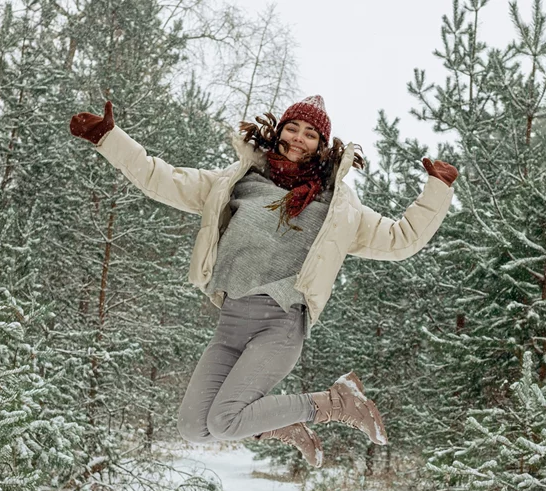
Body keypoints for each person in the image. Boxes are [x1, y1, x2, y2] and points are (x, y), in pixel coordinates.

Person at [69, 95, 458, 468]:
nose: (299, 138)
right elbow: (163, 177)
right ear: (278, 131)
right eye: (292, 128)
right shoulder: (238, 182)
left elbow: (399, 238)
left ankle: (339, 402)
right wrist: (109, 138)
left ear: (323, 144)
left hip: (280, 323)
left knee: (224, 421)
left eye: (310, 133)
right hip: (231, 324)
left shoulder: (337, 207)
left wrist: (438, 189)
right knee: (194, 427)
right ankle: (282, 425)